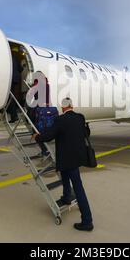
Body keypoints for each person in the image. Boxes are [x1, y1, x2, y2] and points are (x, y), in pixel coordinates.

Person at [33, 97, 93, 231]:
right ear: (72, 105)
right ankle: (66, 197)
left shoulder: (60, 120)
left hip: (66, 159)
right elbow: (86, 133)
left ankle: (87, 221)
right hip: (76, 159)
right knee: (65, 178)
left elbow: (48, 136)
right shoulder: (80, 118)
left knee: (78, 189)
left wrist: (37, 136)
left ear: (63, 107)